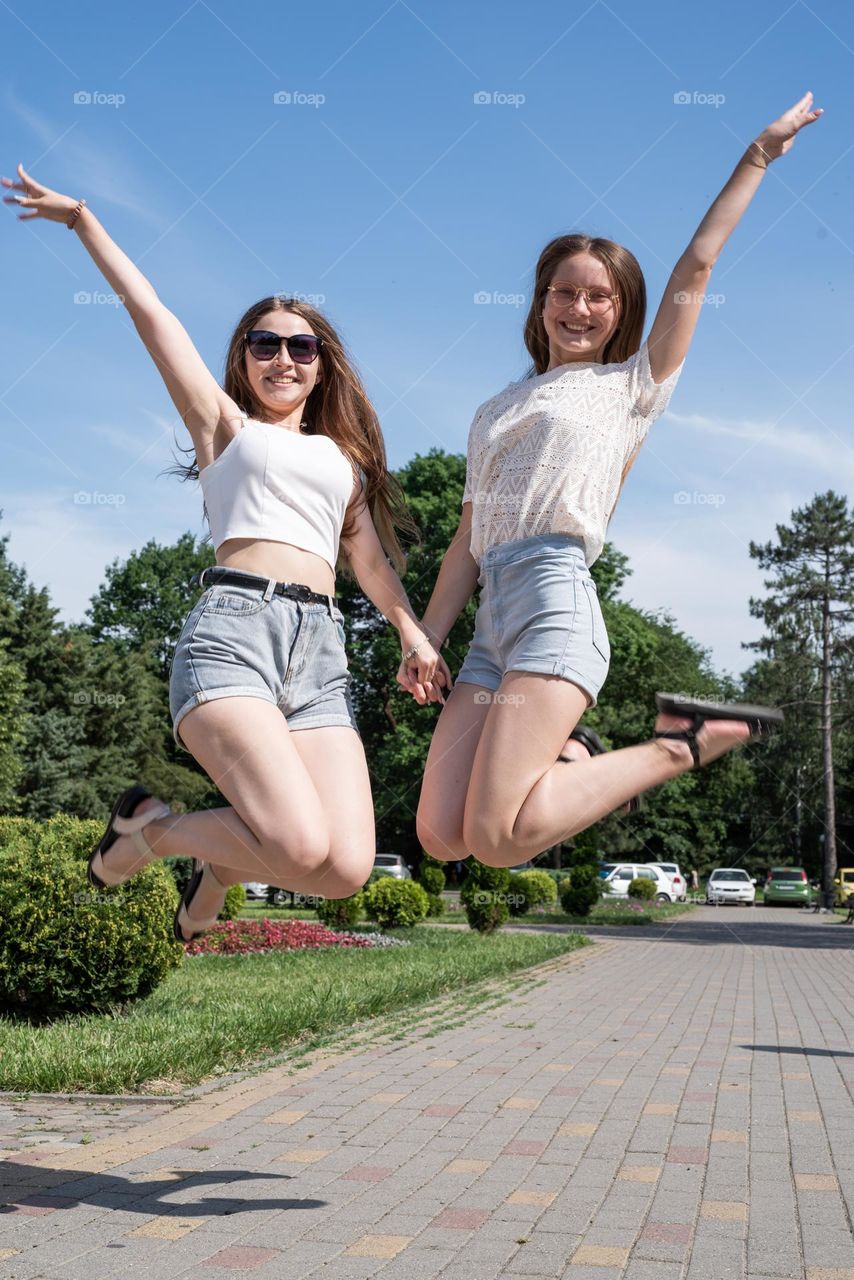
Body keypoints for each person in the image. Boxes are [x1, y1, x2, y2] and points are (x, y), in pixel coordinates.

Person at [4, 164, 451, 940]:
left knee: (344, 867)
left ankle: (201, 858)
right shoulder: (224, 429)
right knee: (297, 840)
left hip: (322, 655)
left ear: (322, 361)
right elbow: (152, 314)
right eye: (264, 343)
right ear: (243, 358)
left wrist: (414, 634)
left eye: (301, 345)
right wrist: (83, 222)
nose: (284, 357)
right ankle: (151, 836)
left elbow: (371, 567)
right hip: (234, 635)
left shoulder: (342, 461)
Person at [404, 92, 822, 868]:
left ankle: (678, 745)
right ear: (540, 301)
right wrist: (427, 636)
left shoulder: (632, 387)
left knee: (497, 841)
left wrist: (757, 158)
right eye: (565, 290)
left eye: (600, 295)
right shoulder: (494, 409)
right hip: (491, 621)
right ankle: (576, 754)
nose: (580, 307)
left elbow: (697, 263)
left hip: (557, 601)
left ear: (619, 310)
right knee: (441, 833)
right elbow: (469, 534)